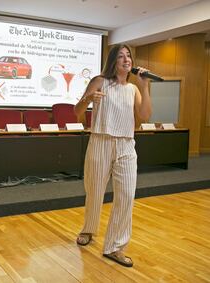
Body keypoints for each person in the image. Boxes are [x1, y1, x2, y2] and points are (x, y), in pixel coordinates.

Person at [74, 44, 152, 267]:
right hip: (100, 141)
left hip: (127, 146)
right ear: (113, 61)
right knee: (95, 191)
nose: (126, 59)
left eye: (128, 56)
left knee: (126, 196)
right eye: (121, 56)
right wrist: (88, 100)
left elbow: (145, 116)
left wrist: (145, 86)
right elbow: (77, 112)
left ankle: (115, 247)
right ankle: (89, 229)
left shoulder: (134, 89)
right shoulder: (100, 81)